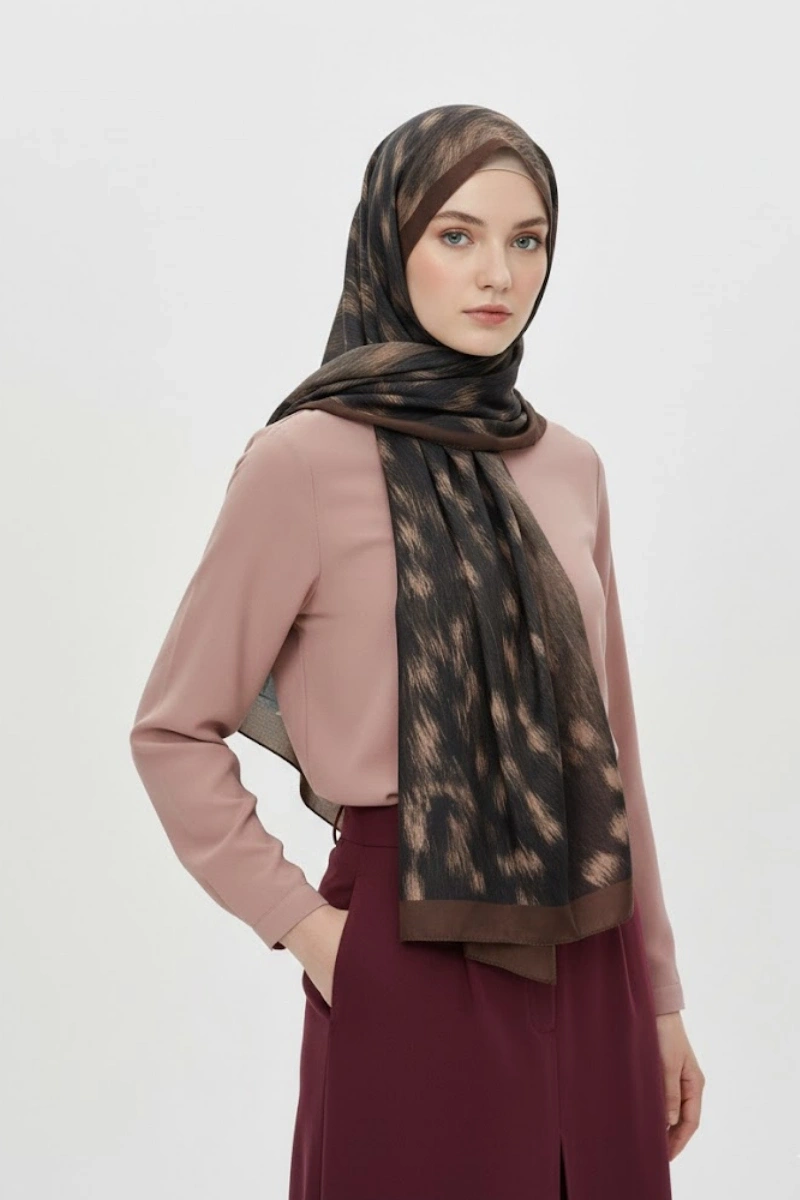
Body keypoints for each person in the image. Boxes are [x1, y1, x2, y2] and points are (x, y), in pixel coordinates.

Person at [129, 104, 704, 1199]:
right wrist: (309, 931)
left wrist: (661, 997)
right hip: (405, 933)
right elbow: (172, 732)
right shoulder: (302, 462)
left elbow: (614, 759)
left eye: (526, 239)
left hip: (594, 938)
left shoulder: (570, 467)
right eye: (456, 234)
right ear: (389, 244)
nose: (498, 273)